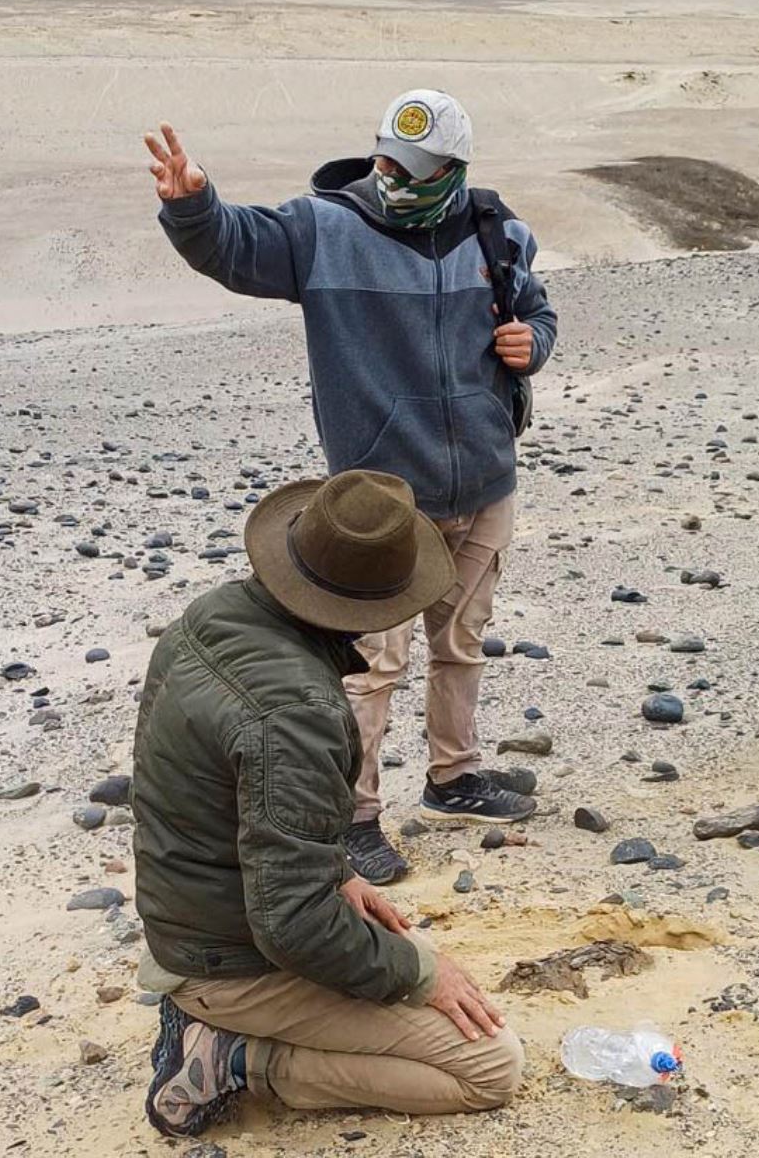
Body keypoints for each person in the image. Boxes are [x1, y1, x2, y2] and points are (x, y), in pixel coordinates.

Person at [146, 89, 558, 885]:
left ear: (453, 170)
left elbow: (538, 312)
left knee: (462, 643)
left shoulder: (498, 233)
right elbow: (235, 247)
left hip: (486, 480)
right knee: (372, 665)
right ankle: (356, 819)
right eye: (385, 160)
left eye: (415, 169)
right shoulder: (324, 229)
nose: (393, 176)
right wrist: (195, 206)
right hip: (382, 506)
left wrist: (528, 343)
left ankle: (454, 777)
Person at [132, 470, 524, 1139]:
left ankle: (223, 1025)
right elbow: (291, 925)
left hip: (195, 921)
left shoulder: (218, 614)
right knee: (489, 1065)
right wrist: (419, 976)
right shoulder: (295, 709)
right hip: (227, 961)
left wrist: (337, 872)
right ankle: (234, 1058)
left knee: (408, 956)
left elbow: (230, 797)